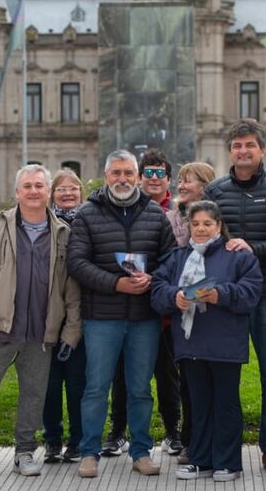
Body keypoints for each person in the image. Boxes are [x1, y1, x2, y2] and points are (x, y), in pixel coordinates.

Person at [0, 164, 80, 481]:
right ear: (17, 192)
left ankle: (25, 451)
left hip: (41, 331)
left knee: (34, 394)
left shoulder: (64, 234)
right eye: (27, 186)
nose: (33, 191)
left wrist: (69, 330)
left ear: (48, 191)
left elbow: (71, 288)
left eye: (39, 185)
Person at [203, 119, 266, 473]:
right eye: (236, 145)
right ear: (229, 151)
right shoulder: (215, 191)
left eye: (249, 145)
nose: (243, 151)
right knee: (224, 374)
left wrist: (254, 248)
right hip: (228, 298)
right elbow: (203, 237)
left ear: (262, 150)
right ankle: (222, 445)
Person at [69, 150, 176, 479]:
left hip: (144, 318)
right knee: (96, 387)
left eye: (129, 173)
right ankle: (89, 453)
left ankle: (141, 452)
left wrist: (152, 278)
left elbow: (172, 258)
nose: (123, 179)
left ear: (138, 176)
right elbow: (76, 262)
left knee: (141, 389)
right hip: (102, 316)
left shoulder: (155, 214)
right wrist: (116, 284)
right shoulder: (88, 213)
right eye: (116, 173)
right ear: (106, 175)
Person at [150, 200, 263, 482]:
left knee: (225, 403)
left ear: (219, 226)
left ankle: (228, 462)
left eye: (207, 224)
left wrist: (220, 295)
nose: (201, 229)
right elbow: (158, 289)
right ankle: (201, 459)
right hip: (190, 345)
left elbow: (251, 292)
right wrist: (173, 297)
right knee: (198, 404)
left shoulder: (239, 256)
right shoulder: (177, 257)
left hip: (225, 343)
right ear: (188, 226)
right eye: (196, 224)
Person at [163, 160, 216, 464]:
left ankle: (214, 439)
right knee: (188, 379)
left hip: (214, 308)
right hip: (182, 308)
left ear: (205, 186)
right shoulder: (171, 218)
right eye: (180, 181)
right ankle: (189, 440)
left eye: (188, 181)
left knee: (216, 379)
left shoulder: (217, 218)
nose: (181, 186)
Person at [140, 149, 183, 456]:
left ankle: (172, 431)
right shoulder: (130, 207)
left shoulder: (179, 210)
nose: (154, 179)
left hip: (168, 307)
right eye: (149, 173)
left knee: (168, 375)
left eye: (160, 174)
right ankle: (119, 432)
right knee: (129, 375)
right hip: (135, 306)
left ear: (169, 178)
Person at [42, 169, 87, 464]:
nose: (68, 193)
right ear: (52, 194)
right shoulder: (43, 225)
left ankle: (78, 440)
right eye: (62, 189)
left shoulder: (88, 222)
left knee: (78, 383)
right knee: (49, 385)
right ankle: (52, 440)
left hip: (83, 313)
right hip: (47, 316)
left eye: (73, 189)